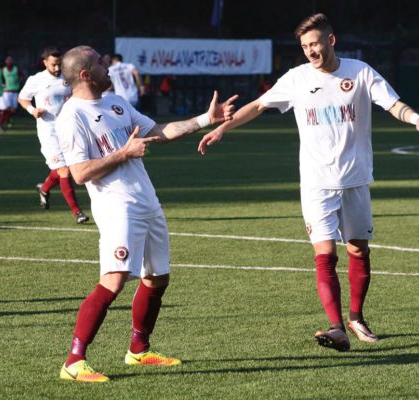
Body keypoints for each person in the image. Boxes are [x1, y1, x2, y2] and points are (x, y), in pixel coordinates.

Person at [198, 13, 419, 352]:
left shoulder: (360, 72)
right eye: (305, 46)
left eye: (315, 43)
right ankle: (335, 327)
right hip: (316, 182)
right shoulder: (296, 79)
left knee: (359, 249)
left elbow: (392, 104)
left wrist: (415, 117)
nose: (311, 51)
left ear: (331, 40)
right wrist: (222, 128)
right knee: (325, 254)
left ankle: (356, 317)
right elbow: (259, 105)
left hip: (355, 178)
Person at [55, 45, 237, 382]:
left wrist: (204, 120)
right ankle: (73, 361)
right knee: (114, 280)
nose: (106, 64)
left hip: (146, 201)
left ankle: (138, 351)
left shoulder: (116, 102)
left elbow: (158, 132)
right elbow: (79, 173)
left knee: (157, 277)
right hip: (117, 207)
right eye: (99, 62)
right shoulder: (72, 117)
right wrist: (124, 153)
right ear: (84, 74)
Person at [18, 47, 89, 224]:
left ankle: (44, 188)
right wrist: (32, 110)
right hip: (49, 131)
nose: (57, 68)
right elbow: (22, 98)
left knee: (68, 169)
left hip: (69, 128)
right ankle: (77, 212)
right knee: (64, 170)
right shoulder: (37, 80)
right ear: (45, 63)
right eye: (53, 65)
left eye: (59, 64)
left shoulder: (67, 76)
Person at [2, 56, 22, 127]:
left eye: (10, 60)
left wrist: (18, 80)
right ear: (5, 61)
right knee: (7, 107)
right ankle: (7, 121)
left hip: (15, 91)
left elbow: (22, 76)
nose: (9, 61)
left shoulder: (16, 69)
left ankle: (8, 118)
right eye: (8, 60)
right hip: (6, 91)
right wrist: (2, 84)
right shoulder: (3, 70)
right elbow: (0, 78)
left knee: (14, 108)